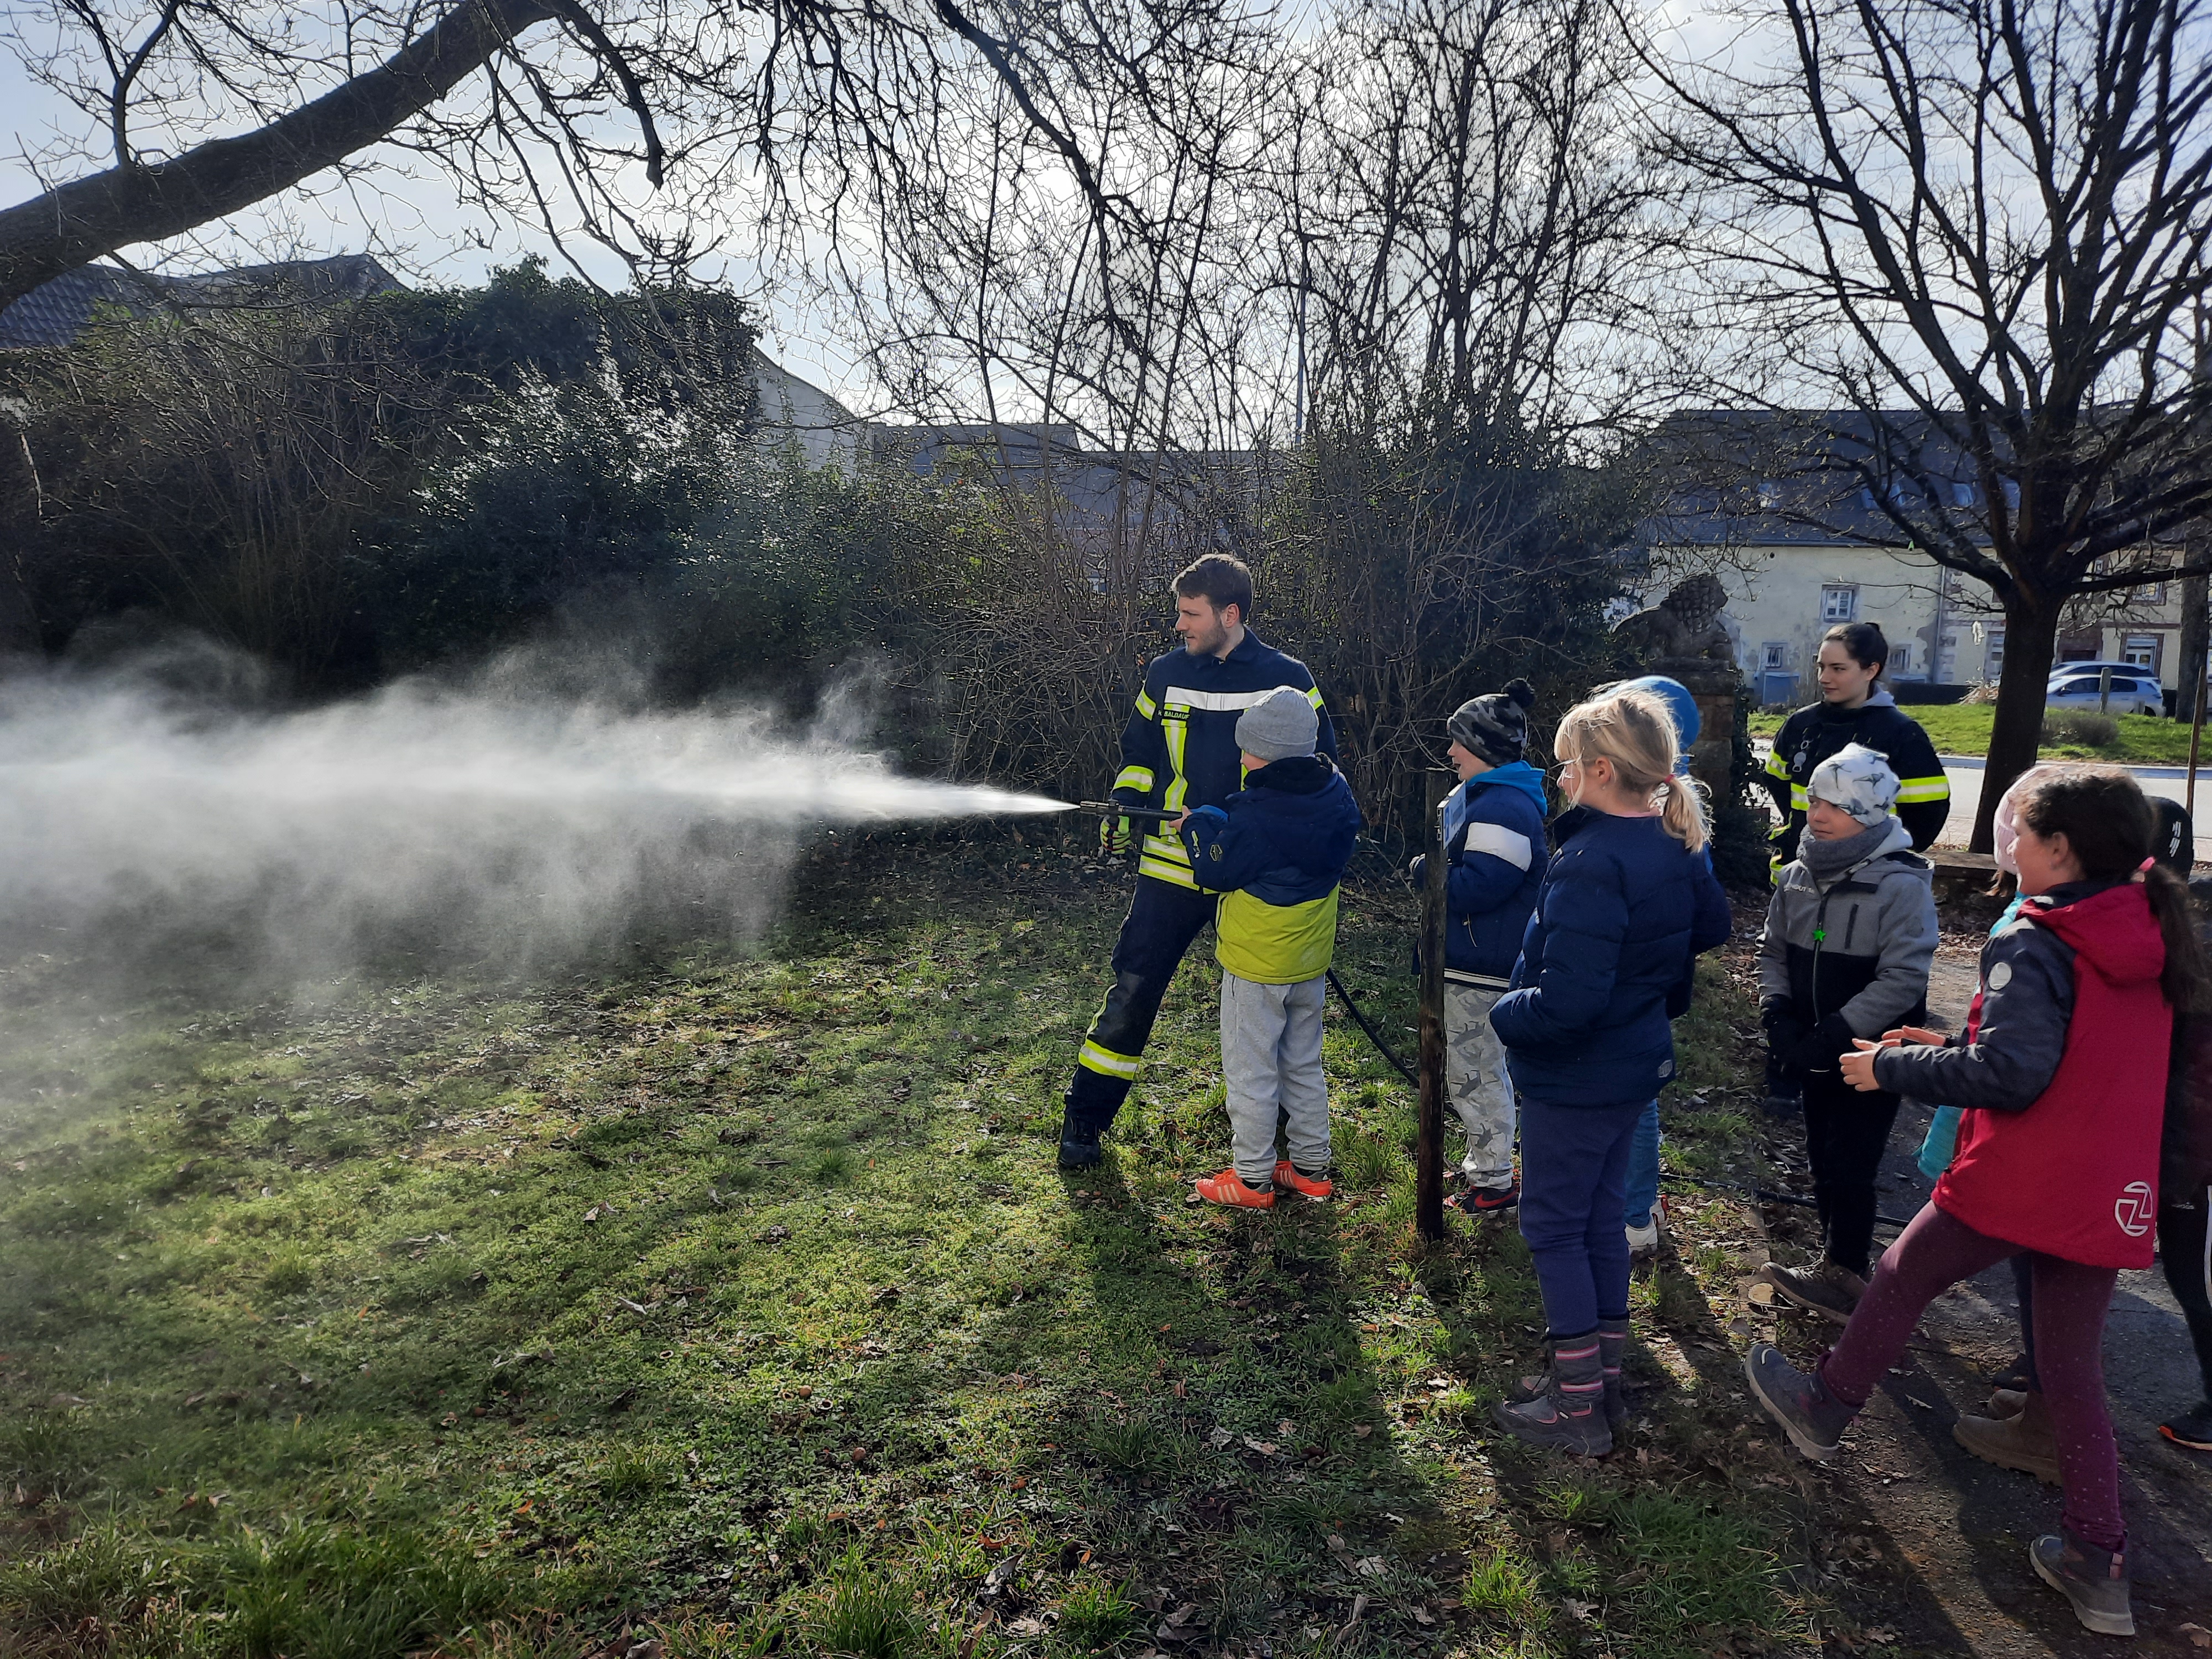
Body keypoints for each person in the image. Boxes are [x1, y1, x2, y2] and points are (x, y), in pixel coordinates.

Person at [1743, 766, 2209, 1639]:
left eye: (2021, 830)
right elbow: (2067, 1045)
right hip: (2108, 1182)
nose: (2008, 843)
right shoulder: (2149, 927)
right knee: (2071, 1369)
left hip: (2022, 1171)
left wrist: (1890, 1066)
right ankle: (2099, 1560)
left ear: (2060, 848)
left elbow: (2012, 1074)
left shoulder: (2035, 935)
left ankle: (1822, 1408)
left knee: (1900, 1275)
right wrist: (1949, 1041)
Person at [1488, 686, 1732, 1455]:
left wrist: (1505, 1014)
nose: (1558, 778)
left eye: (1565, 765)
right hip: (1632, 1062)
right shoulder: (1671, 840)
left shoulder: (1590, 861)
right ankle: (1601, 1378)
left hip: (1578, 1074)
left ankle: (1575, 1409)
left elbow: (1570, 1000)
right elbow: (1711, 925)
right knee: (1598, 1218)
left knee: (1552, 1225)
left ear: (1599, 770)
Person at [1058, 554, 1336, 1170]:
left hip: (1254, 875)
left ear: (1229, 614)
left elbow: (1320, 770)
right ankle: (1085, 1119)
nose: (1179, 624)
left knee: (1269, 1011)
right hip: (1172, 866)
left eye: (1190, 614)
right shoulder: (1164, 674)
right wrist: (1125, 805)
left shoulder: (1288, 679)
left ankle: (1281, 1142)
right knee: (1133, 990)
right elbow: (1139, 754)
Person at [1755, 744, 1938, 1322]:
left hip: (1870, 1052)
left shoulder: (1901, 884)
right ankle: (1835, 1266)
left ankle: (1847, 1268)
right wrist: (1776, 1012)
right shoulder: (1796, 876)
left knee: (1852, 1162)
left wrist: (1838, 1029)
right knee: (1821, 1155)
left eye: (1836, 805)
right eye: (1814, 800)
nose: (1818, 813)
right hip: (1811, 1045)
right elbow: (1772, 951)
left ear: (1869, 811)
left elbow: (1904, 977)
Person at [1172, 687, 1360, 1208]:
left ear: (1271, 755)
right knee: (1302, 1065)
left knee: (1251, 1071)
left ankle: (1252, 1179)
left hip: (1256, 965)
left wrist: (1196, 828)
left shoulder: (1257, 817)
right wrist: (1220, 820)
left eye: (1249, 750)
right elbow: (1270, 843)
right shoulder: (1334, 793)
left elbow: (1215, 869)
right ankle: (1311, 1169)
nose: (1241, 759)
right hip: (1308, 962)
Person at [1405, 680, 1547, 1213]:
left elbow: (1483, 885)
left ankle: (1492, 1182)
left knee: (1476, 1074)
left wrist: (1427, 869)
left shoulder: (1501, 807)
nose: (1449, 753)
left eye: (1458, 742)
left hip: (1481, 968)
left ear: (1483, 747)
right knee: (1478, 1071)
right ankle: (1490, 1169)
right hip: (1477, 961)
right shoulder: (1495, 799)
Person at [1614, 674, 1705, 1260]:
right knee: (1634, 1095)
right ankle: (1632, 1206)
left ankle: (1635, 1212)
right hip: (1652, 987)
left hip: (1627, 992)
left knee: (1636, 1099)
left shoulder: (1654, 824)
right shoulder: (1677, 817)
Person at [1761, 621, 1950, 877]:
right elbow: (1777, 783)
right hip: (1799, 877)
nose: (1824, 678)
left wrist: (1885, 859)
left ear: (1871, 670)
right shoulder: (1800, 725)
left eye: (1838, 669)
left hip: (1869, 884)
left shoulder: (1901, 734)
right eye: (1821, 667)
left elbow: (1927, 813)